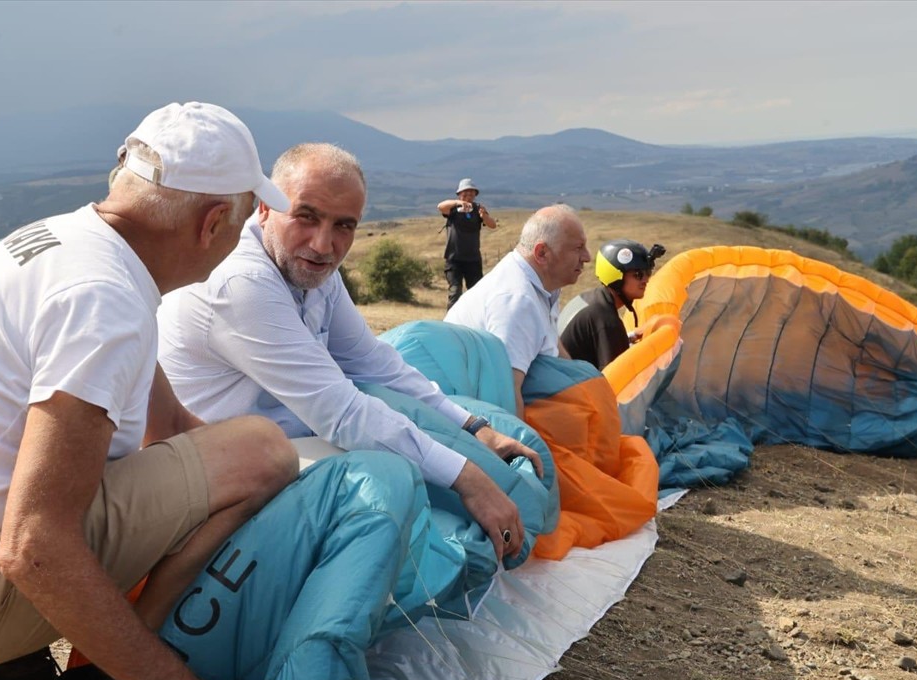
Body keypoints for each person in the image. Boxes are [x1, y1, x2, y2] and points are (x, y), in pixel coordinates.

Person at [0, 102, 302, 680]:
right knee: (264, 451)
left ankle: (1, 675)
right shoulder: (104, 300)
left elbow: (169, 428)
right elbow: (34, 545)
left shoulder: (75, 247)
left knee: (240, 460)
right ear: (212, 224)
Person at [157, 143, 540, 562]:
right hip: (218, 472)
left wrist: (472, 427)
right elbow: (341, 413)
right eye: (306, 216)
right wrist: (468, 478)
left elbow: (375, 362)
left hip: (282, 442)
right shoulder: (241, 283)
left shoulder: (308, 267)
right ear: (264, 207)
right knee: (389, 483)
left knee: (406, 431)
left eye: (344, 226)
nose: (323, 245)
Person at [445, 204, 592, 417]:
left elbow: (553, 346)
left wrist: (583, 391)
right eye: (578, 248)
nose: (587, 257)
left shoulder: (542, 284)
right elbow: (505, 398)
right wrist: (527, 450)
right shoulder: (518, 301)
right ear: (542, 253)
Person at [558, 239, 666, 369]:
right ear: (616, 277)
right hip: (566, 386)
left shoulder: (589, 299)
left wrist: (627, 338)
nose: (646, 280)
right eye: (638, 274)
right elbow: (616, 379)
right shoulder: (606, 320)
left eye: (647, 272)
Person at [437, 177, 497, 309]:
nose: (468, 196)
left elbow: (492, 225)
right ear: (459, 194)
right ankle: (450, 323)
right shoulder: (453, 209)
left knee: (476, 293)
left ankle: (473, 322)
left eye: (471, 193)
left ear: (475, 195)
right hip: (454, 259)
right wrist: (457, 203)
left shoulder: (478, 209)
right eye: (465, 193)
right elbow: (440, 207)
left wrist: (484, 216)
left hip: (473, 259)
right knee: (455, 291)